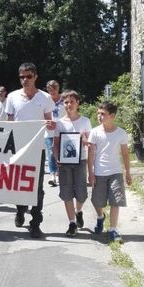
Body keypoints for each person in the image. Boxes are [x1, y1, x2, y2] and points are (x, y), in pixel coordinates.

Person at [5, 62, 55, 238]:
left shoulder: (45, 98)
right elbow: (9, 123)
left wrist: (50, 125)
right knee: (19, 183)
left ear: (35, 77)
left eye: (28, 76)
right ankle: (20, 210)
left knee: (37, 186)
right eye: (22, 77)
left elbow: (49, 124)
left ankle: (35, 222)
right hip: (18, 149)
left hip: (37, 148)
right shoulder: (12, 97)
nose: (25, 80)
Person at [87, 101, 132, 242]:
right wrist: (91, 173)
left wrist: (128, 172)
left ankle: (113, 229)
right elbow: (91, 154)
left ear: (112, 116)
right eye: (98, 113)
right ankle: (100, 217)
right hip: (99, 172)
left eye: (103, 114)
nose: (100, 116)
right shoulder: (94, 132)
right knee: (97, 201)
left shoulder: (120, 133)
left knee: (115, 201)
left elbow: (125, 153)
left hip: (115, 172)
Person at [52, 90, 92, 237]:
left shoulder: (85, 121)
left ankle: (78, 210)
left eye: (72, 102)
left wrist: (84, 137)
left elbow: (90, 144)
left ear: (78, 103)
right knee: (67, 193)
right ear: (63, 104)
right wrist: (57, 158)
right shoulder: (60, 123)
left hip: (80, 161)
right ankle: (72, 223)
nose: (69, 105)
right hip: (64, 163)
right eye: (66, 102)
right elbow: (55, 144)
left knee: (81, 194)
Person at [45, 80, 65, 187]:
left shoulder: (64, 100)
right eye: (50, 89)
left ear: (58, 88)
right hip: (49, 131)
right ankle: (52, 175)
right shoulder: (45, 100)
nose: (52, 91)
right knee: (51, 153)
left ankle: (59, 174)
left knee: (61, 153)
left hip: (62, 130)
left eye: (54, 89)